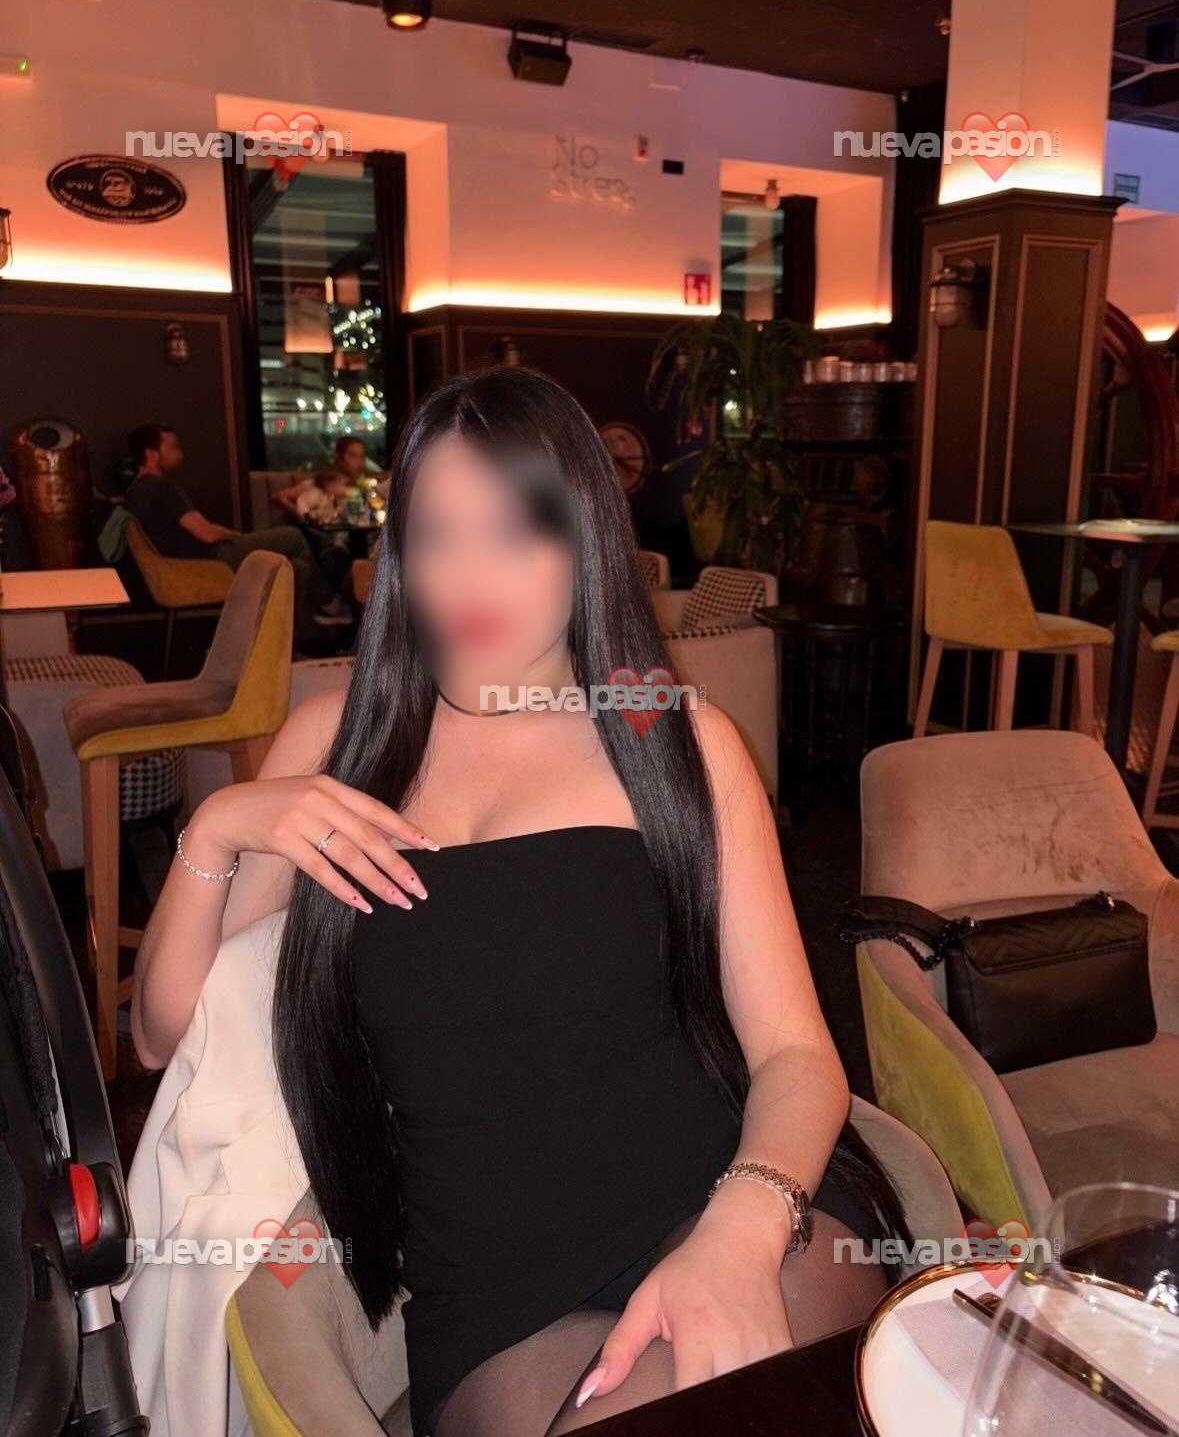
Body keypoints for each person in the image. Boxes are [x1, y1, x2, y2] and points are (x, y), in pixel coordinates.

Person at [129, 367, 905, 1437]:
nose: (469, 576)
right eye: (435, 534)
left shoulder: (661, 730)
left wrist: (738, 1228)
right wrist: (218, 828)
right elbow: (160, 1035)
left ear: (583, 538)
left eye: (512, 532)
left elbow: (796, 1053)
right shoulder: (340, 742)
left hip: (733, 1200)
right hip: (494, 1291)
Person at [122, 425, 351, 628]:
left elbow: (198, 528)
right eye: (173, 448)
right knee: (293, 536)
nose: (180, 454)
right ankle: (328, 603)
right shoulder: (163, 488)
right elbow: (207, 534)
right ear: (151, 454)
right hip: (212, 559)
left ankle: (291, 642)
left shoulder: (135, 492)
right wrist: (234, 536)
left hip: (182, 564)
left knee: (298, 568)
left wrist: (232, 536)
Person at [274, 433, 369, 519]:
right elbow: (278, 496)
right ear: (339, 458)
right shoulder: (323, 484)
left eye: (362, 456)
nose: (360, 462)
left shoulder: (361, 486)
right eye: (353, 456)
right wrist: (304, 515)